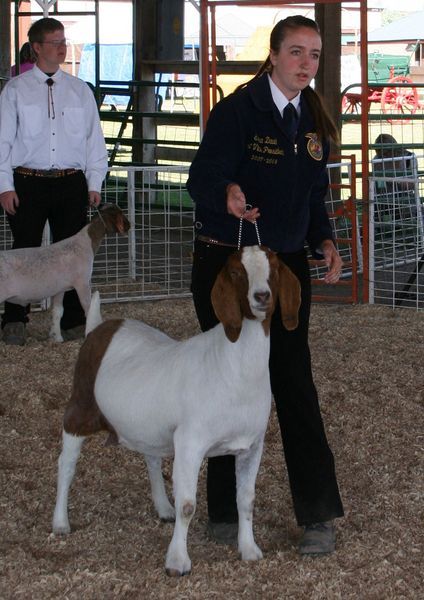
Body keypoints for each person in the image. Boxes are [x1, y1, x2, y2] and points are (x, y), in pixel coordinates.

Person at [187, 15, 344, 555]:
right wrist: (228, 190)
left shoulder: (315, 121)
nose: (307, 63)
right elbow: (198, 178)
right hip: (227, 264)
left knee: (293, 379)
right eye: (297, 52)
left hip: (285, 267)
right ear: (273, 56)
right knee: (227, 382)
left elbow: (314, 197)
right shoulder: (237, 111)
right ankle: (224, 512)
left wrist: (324, 240)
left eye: (315, 55)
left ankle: (318, 513)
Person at [0, 17, 108, 345]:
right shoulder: (15, 90)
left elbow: (94, 141)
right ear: (36, 48)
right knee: (23, 251)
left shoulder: (80, 91)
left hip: (70, 183)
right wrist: (5, 185)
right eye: (55, 42)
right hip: (27, 182)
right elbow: (3, 140)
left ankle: (73, 321)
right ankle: (15, 319)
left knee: (75, 255)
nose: (63, 47)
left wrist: (94, 183)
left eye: (64, 41)